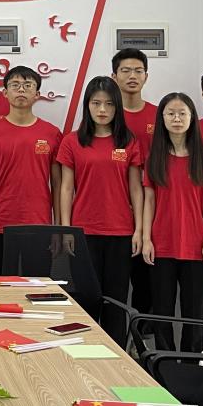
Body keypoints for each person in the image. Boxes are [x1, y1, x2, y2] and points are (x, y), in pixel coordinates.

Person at [57, 76, 144, 344]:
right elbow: (66, 188)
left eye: (109, 104)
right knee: (85, 298)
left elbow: (136, 189)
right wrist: (66, 230)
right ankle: (86, 353)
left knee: (116, 301)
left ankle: (116, 354)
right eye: (96, 103)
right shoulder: (72, 141)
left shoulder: (128, 141)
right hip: (84, 232)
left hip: (121, 232)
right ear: (87, 105)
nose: (102, 109)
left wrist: (139, 230)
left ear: (117, 106)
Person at [141, 92, 203, 353]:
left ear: (192, 118)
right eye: (170, 113)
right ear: (161, 118)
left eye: (182, 113)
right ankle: (163, 361)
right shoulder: (155, 158)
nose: (176, 118)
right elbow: (149, 200)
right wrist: (147, 239)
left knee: (195, 311)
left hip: (196, 246)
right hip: (161, 245)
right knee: (162, 309)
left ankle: (191, 360)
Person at [0, 65, 62, 275]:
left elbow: (58, 185)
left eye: (27, 85)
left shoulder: (52, 133)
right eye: (15, 85)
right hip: (1, 223)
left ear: (37, 94)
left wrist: (59, 227)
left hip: (40, 223)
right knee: (1, 286)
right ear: (5, 93)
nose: (21, 90)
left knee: (38, 286)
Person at [111, 48, 155, 320]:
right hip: (114, 210)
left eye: (138, 71)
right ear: (114, 76)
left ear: (146, 77)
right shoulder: (104, 115)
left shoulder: (159, 115)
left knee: (145, 281)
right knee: (113, 283)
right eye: (125, 71)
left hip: (152, 208)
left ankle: (142, 336)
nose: (132, 76)